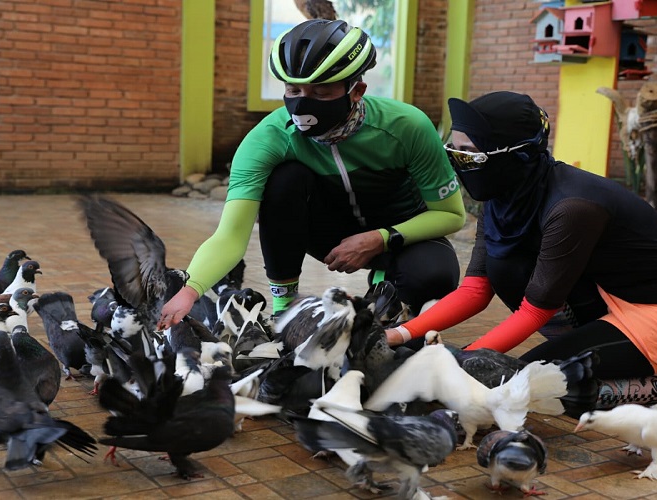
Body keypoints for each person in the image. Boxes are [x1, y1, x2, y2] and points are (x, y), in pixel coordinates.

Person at [385, 90, 657, 404]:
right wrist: (400, 334)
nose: (460, 165)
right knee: (507, 273)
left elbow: (536, 311)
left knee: (530, 383)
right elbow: (476, 290)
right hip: (610, 297)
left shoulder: (572, 207)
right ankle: (628, 357)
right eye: (454, 152)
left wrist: (464, 362)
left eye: (470, 156)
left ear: (514, 156)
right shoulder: (503, 196)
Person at [158, 19, 465, 329]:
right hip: (329, 233)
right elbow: (230, 236)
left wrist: (379, 239)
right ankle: (284, 306)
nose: (302, 103)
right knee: (284, 179)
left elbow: (452, 215)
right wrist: (189, 291)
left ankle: (385, 293)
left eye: (321, 92)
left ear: (356, 91)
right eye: (293, 89)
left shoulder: (407, 126)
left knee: (435, 278)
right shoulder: (269, 138)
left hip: (401, 233)